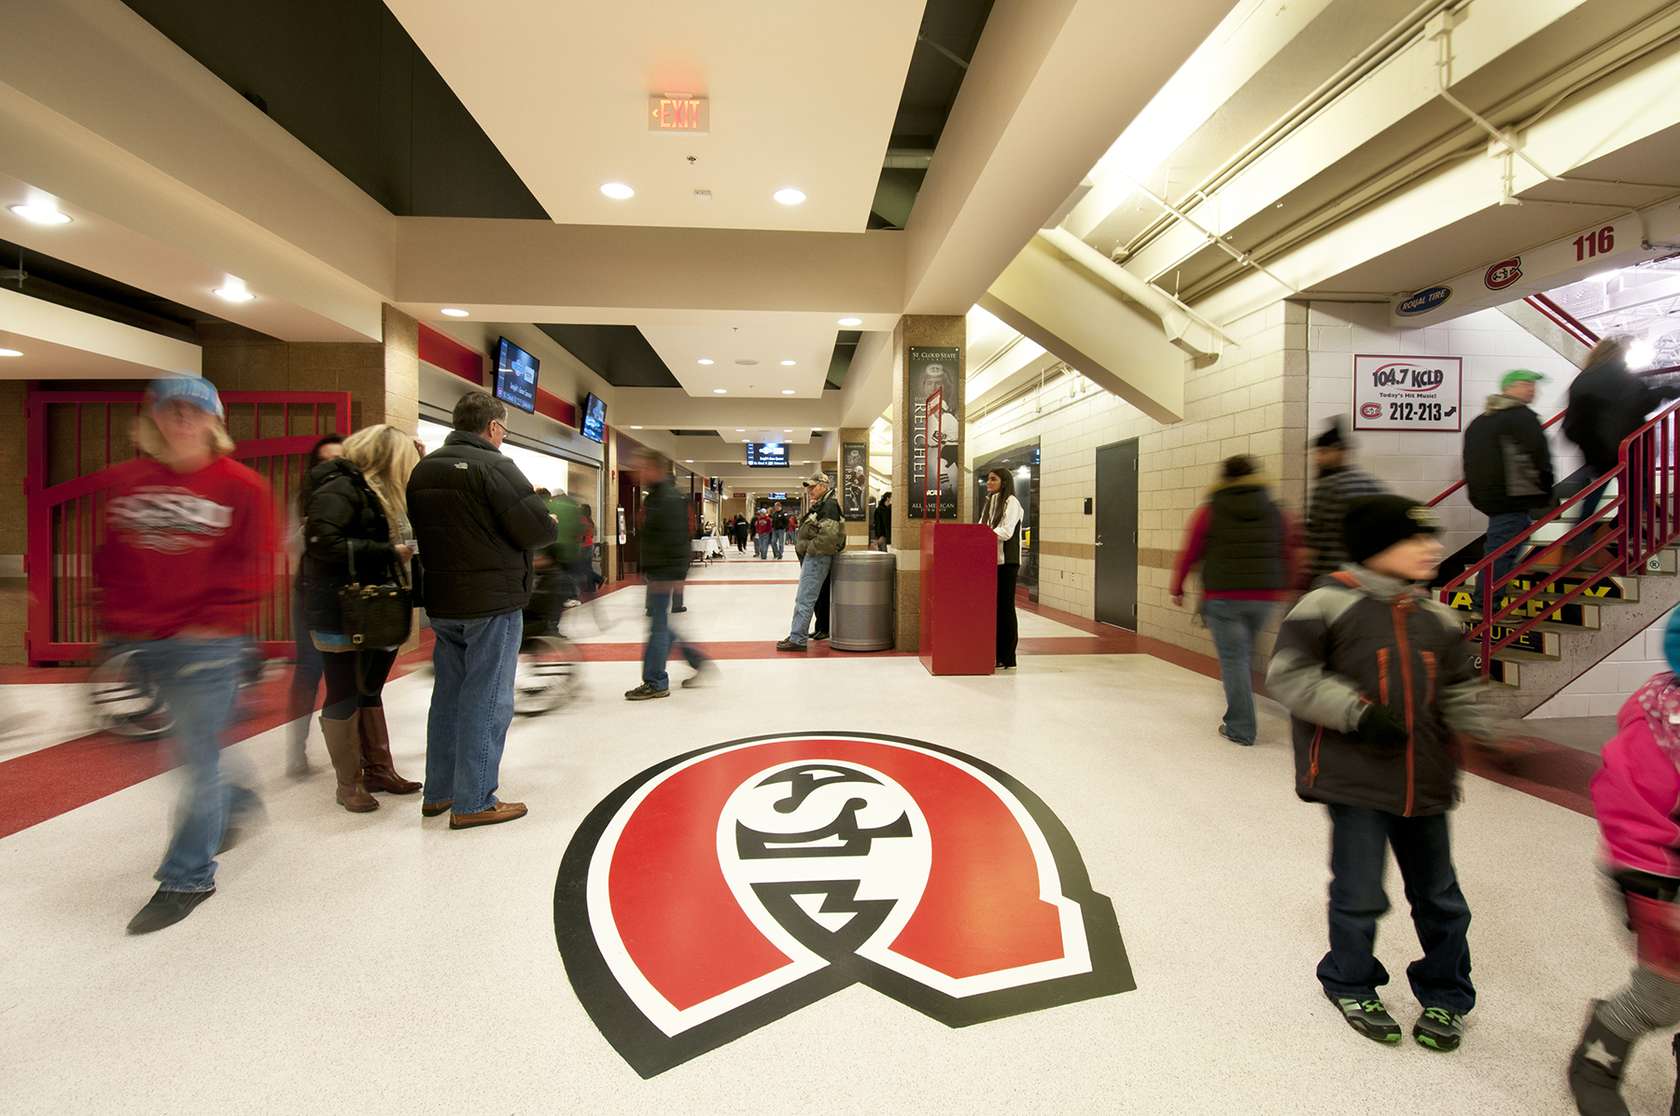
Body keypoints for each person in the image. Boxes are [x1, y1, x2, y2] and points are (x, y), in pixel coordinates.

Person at [1267, 496, 1492, 1051]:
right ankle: (1349, 979)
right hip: (1357, 779)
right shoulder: (1326, 604)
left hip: (1428, 782)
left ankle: (1446, 992)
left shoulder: (1438, 617)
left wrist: (1495, 733)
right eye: (1416, 539)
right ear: (1378, 547)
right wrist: (1358, 713)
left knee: (1440, 896)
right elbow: (1289, 675)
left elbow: (1461, 690)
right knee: (1360, 890)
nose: (1433, 548)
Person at [96, 378, 277, 933]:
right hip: (142, 640)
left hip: (208, 645)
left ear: (211, 420)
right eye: (169, 409)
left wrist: (218, 619)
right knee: (189, 753)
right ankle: (235, 798)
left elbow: (258, 561)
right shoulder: (126, 483)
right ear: (152, 418)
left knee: (194, 759)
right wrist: (114, 625)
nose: (180, 419)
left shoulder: (241, 486)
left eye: (192, 410)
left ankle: (188, 876)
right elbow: (111, 560)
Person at [406, 391, 556, 830]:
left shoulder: (424, 468)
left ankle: (439, 792)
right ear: (493, 427)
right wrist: (550, 523)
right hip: (491, 600)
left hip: (443, 600)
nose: (503, 438)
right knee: (488, 698)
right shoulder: (496, 466)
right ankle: (474, 800)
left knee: (449, 695)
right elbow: (535, 529)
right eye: (504, 430)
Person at [1569, 607, 1680, 1114]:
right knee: (1662, 995)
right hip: (1659, 881)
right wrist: (1653, 890)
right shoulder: (1659, 725)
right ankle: (1600, 1050)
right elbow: (1630, 811)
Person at [299, 424, 423, 811]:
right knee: (344, 690)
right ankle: (348, 783)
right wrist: (387, 552)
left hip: (373, 608)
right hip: (342, 610)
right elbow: (323, 543)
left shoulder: (375, 492)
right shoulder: (340, 488)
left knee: (369, 688)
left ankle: (379, 768)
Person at [1170, 455, 1299, 744]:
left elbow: (1190, 552)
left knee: (1234, 659)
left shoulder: (1210, 511)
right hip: (1265, 596)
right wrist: (1289, 586)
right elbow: (1289, 548)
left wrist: (1177, 586)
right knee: (1244, 654)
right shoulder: (1277, 511)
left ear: (1224, 478)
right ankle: (1242, 714)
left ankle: (1240, 726)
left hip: (1224, 597)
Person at [1563, 335, 1680, 544]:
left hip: (1596, 449)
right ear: (1618, 354)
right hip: (1624, 447)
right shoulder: (1619, 376)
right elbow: (1641, 402)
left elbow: (1572, 420)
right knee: (1637, 490)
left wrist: (1588, 444)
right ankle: (1626, 531)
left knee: (1597, 489)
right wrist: (1668, 390)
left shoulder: (1583, 378)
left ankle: (1580, 535)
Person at [625, 449, 712, 699]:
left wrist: (672, 576)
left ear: (657, 469)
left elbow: (677, 541)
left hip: (663, 574)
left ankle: (655, 681)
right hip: (657, 572)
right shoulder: (656, 497)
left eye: (644, 467)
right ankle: (698, 661)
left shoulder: (668, 499)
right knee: (661, 626)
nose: (640, 472)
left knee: (658, 627)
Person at [1463, 369, 1553, 591]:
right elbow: (1538, 457)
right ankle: (1486, 609)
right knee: (1502, 554)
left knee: (1500, 550)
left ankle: (1486, 605)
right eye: (1525, 384)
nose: (1532, 389)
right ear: (1508, 388)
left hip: (1489, 497)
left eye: (1533, 385)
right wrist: (1545, 489)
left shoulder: (1480, 421)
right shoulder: (1523, 417)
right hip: (1514, 497)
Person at [286, 432, 343, 776]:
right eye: (324, 461)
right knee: (308, 669)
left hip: (345, 593)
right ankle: (297, 749)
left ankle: (345, 757)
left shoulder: (356, 497)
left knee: (343, 676)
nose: (331, 468)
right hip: (309, 591)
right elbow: (291, 545)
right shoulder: (304, 500)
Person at [1304, 418, 1383, 585]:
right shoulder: (1370, 483)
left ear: (1339, 452)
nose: (1317, 458)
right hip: (1366, 576)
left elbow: (1315, 538)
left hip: (1332, 574)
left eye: (1322, 452)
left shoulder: (1327, 486)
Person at [777, 473, 844, 652]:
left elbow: (827, 537)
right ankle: (797, 635)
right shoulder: (823, 504)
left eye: (812, 487)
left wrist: (808, 548)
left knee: (805, 598)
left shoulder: (829, 506)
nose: (809, 490)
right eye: (808, 487)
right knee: (807, 597)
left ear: (823, 485)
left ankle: (797, 639)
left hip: (817, 557)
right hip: (816, 557)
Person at [981, 469, 1025, 670]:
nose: (988, 482)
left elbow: (1006, 532)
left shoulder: (1012, 502)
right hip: (991, 562)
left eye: (993, 479)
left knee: (1005, 608)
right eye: (988, 479)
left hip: (1007, 563)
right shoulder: (990, 501)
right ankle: (994, 651)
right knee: (994, 609)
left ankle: (1008, 656)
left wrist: (983, 535)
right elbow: (982, 526)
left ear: (1004, 481)